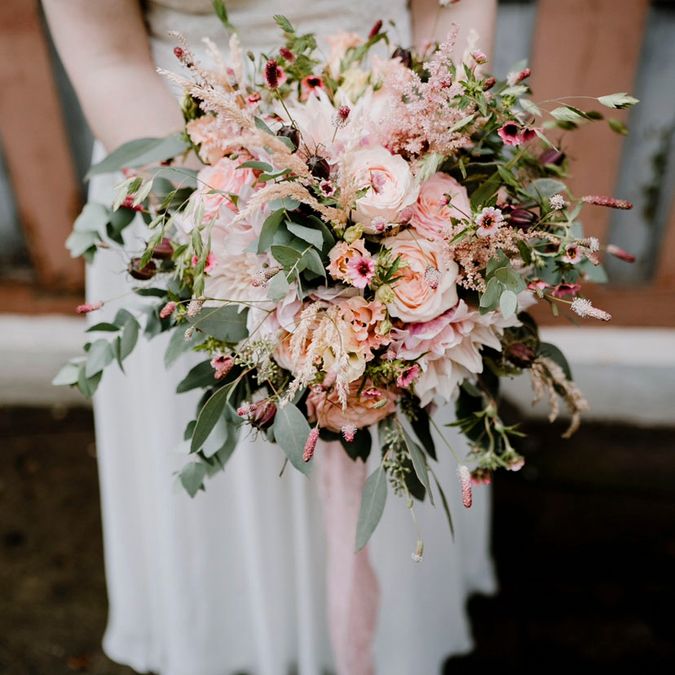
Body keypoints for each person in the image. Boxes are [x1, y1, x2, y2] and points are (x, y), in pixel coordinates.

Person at [43, 1, 498, 674]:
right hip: (188, 174)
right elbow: (109, 58)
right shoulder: (203, 209)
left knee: (403, 398)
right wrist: (235, 245)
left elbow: (451, 8)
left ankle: (384, 638)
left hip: (401, 155)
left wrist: (423, 171)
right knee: (236, 440)